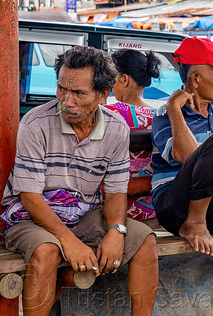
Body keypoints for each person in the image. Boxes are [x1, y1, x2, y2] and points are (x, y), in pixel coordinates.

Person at [0, 46, 158, 316]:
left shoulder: (116, 127)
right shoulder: (36, 123)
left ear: (103, 95)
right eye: (62, 89)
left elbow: (117, 190)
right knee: (47, 250)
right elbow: (30, 195)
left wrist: (116, 232)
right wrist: (69, 242)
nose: (66, 101)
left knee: (145, 241)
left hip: (83, 213)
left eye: (78, 93)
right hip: (29, 215)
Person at [151, 37, 213, 259]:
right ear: (195, 79)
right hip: (174, 206)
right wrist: (175, 108)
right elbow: (189, 156)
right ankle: (194, 222)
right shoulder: (166, 114)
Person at [104, 49, 160, 221]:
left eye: (112, 76)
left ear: (124, 79)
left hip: (116, 205)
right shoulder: (159, 116)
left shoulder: (108, 114)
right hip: (153, 205)